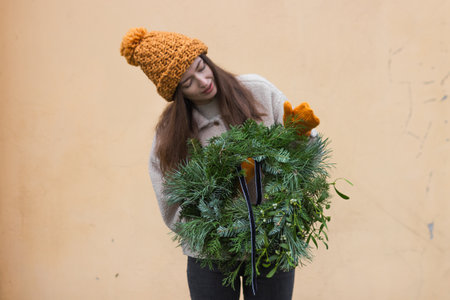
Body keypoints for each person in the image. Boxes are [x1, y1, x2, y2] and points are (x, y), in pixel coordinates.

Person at [120, 27, 320, 300]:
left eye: (201, 67)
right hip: (211, 256)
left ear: (206, 59)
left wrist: (301, 135)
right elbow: (170, 199)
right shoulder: (171, 134)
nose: (202, 81)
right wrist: (213, 229)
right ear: (176, 92)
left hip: (270, 243)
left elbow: (304, 154)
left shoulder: (257, 91)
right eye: (188, 81)